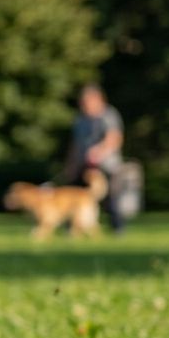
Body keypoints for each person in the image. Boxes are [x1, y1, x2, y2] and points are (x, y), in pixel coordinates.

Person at [61, 84, 125, 233]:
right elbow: (75, 145)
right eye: (82, 102)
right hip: (83, 165)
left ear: (98, 99)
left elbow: (114, 138)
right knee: (73, 196)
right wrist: (71, 165)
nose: (84, 105)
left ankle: (117, 229)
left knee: (110, 198)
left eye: (87, 102)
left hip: (106, 165)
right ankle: (72, 229)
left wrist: (99, 151)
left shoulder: (108, 115)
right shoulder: (80, 119)